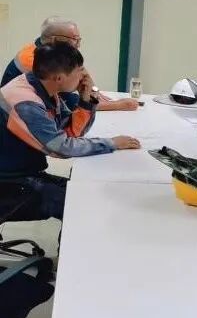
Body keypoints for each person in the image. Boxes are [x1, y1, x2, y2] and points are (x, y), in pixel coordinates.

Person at [0, 42, 140, 221]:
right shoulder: (26, 103)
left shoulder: (42, 86)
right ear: (59, 78)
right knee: (80, 206)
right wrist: (112, 143)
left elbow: (71, 132)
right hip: (8, 182)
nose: (84, 76)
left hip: (21, 172)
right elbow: (61, 147)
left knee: (86, 193)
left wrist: (88, 98)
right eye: (80, 71)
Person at [1, 17, 138, 111]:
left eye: (79, 40)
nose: (78, 45)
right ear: (55, 39)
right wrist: (118, 105)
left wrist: (93, 91)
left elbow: (82, 77)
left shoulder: (46, 51)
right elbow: (68, 101)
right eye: (74, 39)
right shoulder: (35, 60)